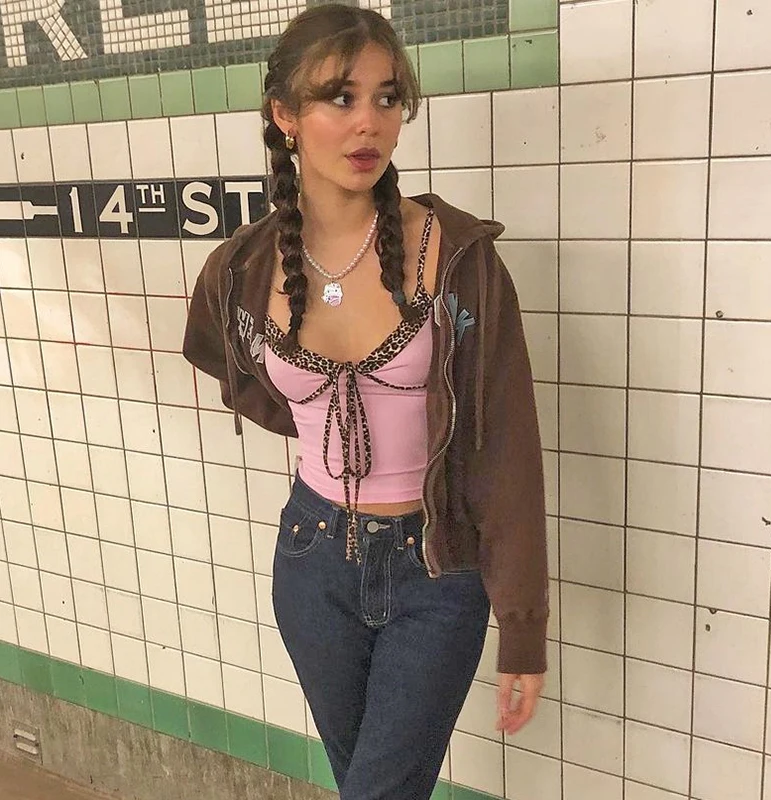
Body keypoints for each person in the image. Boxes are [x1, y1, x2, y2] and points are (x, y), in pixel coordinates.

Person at [183, 4, 548, 798]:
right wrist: (317, 421)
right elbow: (229, 365)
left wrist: (522, 623)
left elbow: (506, 445)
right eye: (339, 97)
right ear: (285, 115)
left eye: (387, 98)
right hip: (311, 563)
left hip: (436, 570)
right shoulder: (242, 268)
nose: (369, 123)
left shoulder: (457, 258)